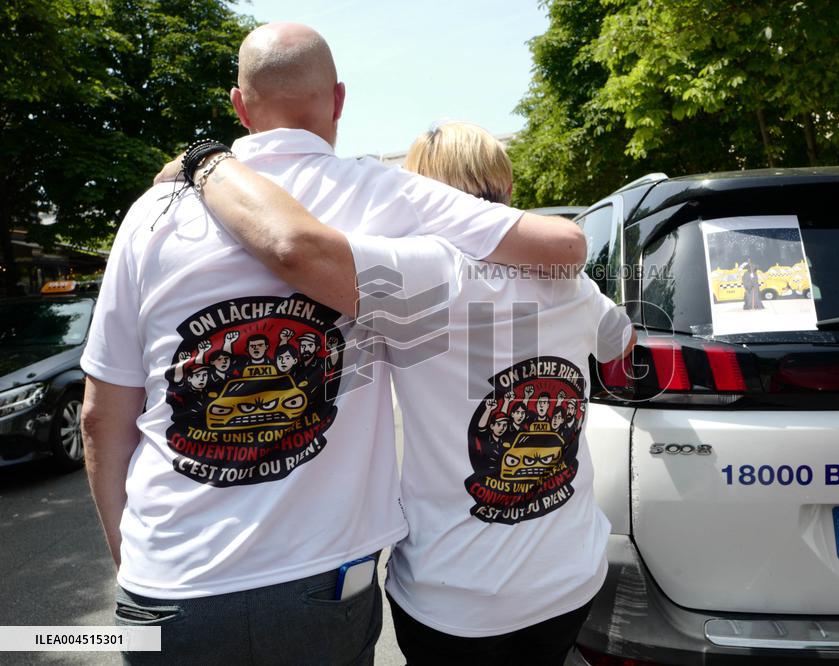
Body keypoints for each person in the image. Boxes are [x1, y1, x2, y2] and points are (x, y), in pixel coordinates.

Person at [81, 23, 585, 665]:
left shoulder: (151, 215)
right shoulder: (387, 193)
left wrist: (136, 561)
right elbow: (563, 246)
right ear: (339, 99)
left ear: (239, 106)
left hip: (167, 580)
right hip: (322, 579)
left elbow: (102, 415)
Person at [183, 120, 636, 666]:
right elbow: (621, 344)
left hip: (458, 594)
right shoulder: (574, 283)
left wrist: (206, 164)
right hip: (571, 573)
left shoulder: (426, 271)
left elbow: (293, 246)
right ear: (505, 185)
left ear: (425, 194)